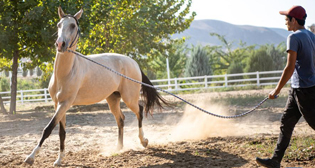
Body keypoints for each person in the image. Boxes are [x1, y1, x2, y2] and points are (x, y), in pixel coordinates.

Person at [256, 5, 315, 168]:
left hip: (304, 90)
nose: (285, 23)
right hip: (300, 88)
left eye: (286, 20)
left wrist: (276, 90)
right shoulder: (311, 35)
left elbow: (289, 67)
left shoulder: (294, 37)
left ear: (294, 20)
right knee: (286, 122)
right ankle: (275, 160)